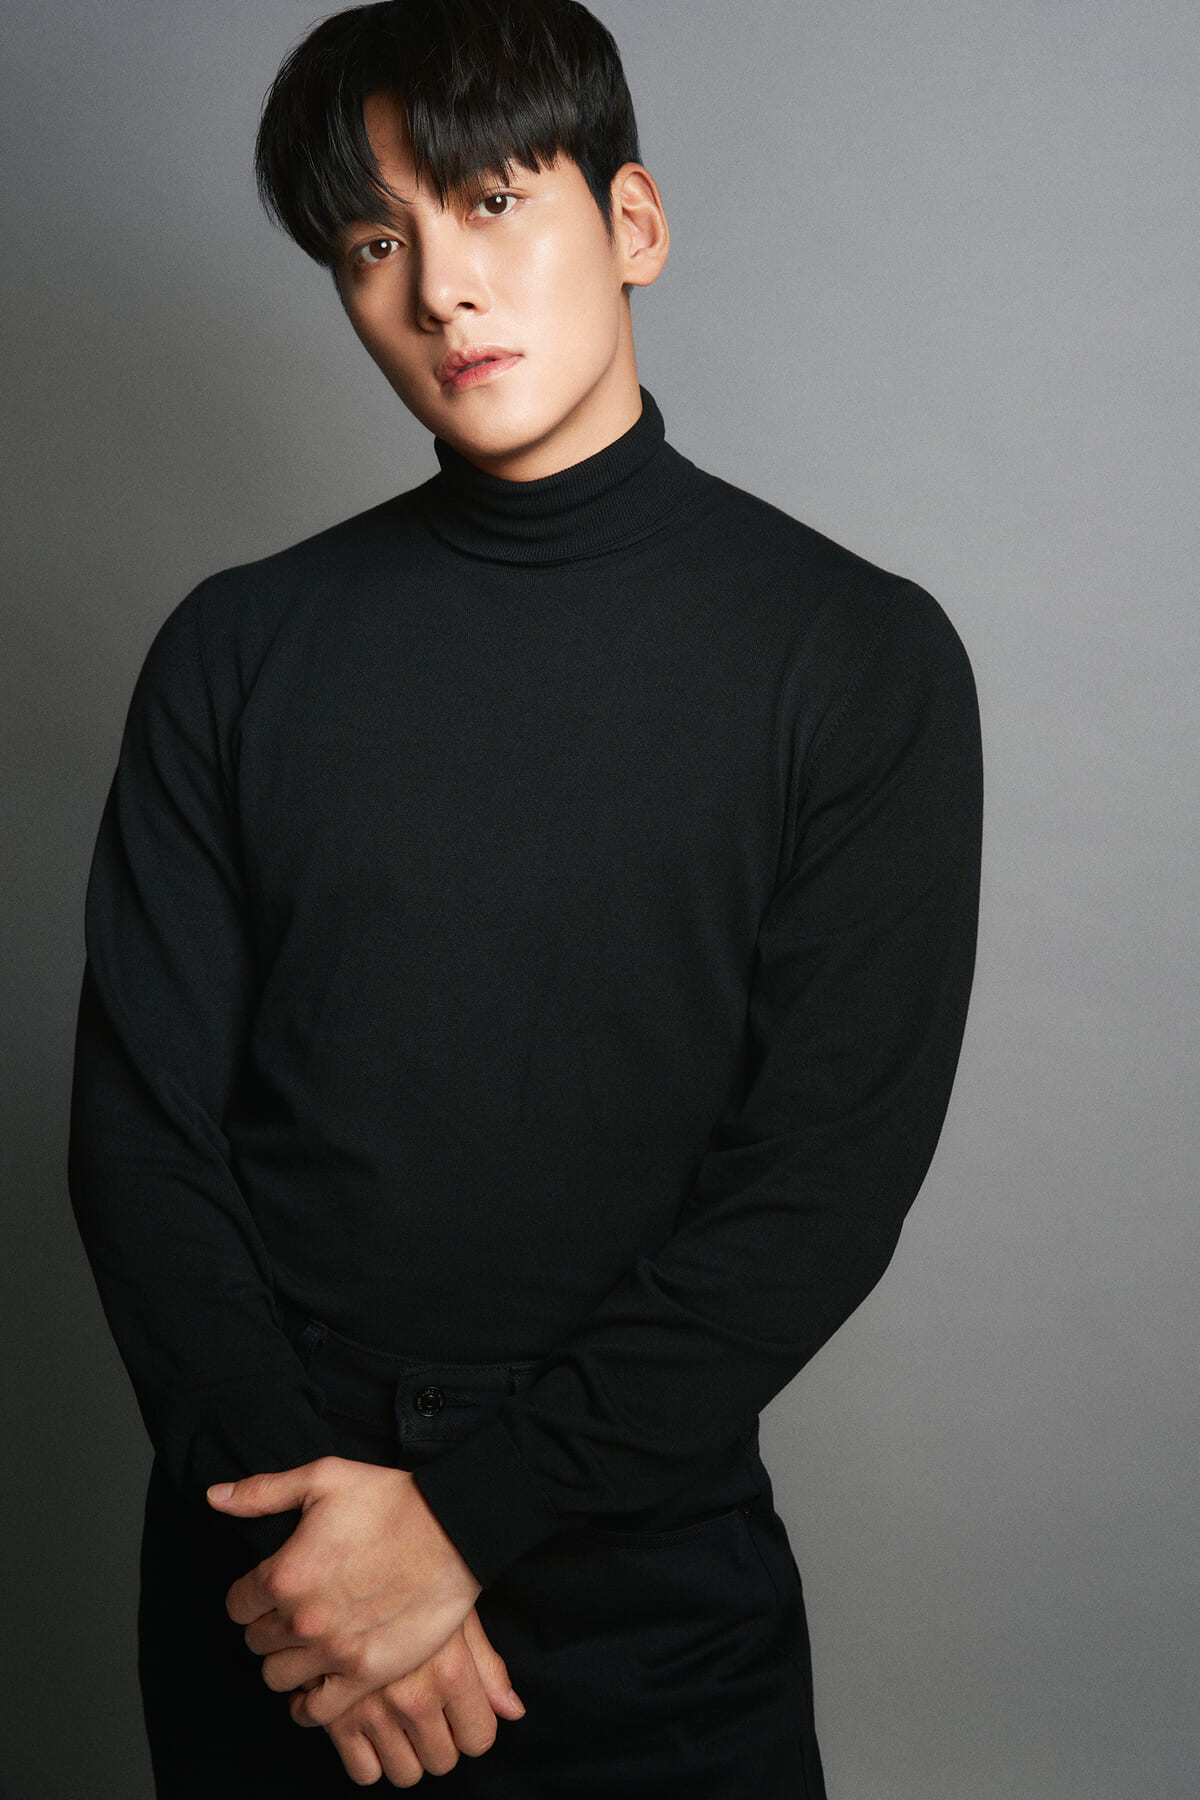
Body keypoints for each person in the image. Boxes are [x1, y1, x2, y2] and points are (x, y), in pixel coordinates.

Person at [67, 1, 983, 1793]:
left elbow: (821, 1183)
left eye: (492, 204)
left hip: (638, 1562)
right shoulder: (236, 650)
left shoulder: (855, 655)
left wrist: (461, 1526)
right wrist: (322, 1554)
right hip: (276, 1547)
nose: (441, 291)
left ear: (633, 223)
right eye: (373, 243)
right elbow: (139, 1139)